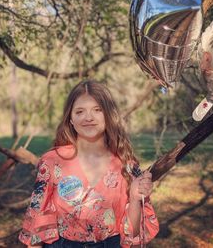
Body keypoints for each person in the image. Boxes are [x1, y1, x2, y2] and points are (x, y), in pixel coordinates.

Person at [19, 80, 159, 248]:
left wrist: (136, 199)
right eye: (79, 111)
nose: (88, 118)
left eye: (97, 110)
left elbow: (134, 237)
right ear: (70, 119)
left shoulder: (126, 165)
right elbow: (37, 224)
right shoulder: (52, 162)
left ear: (108, 115)